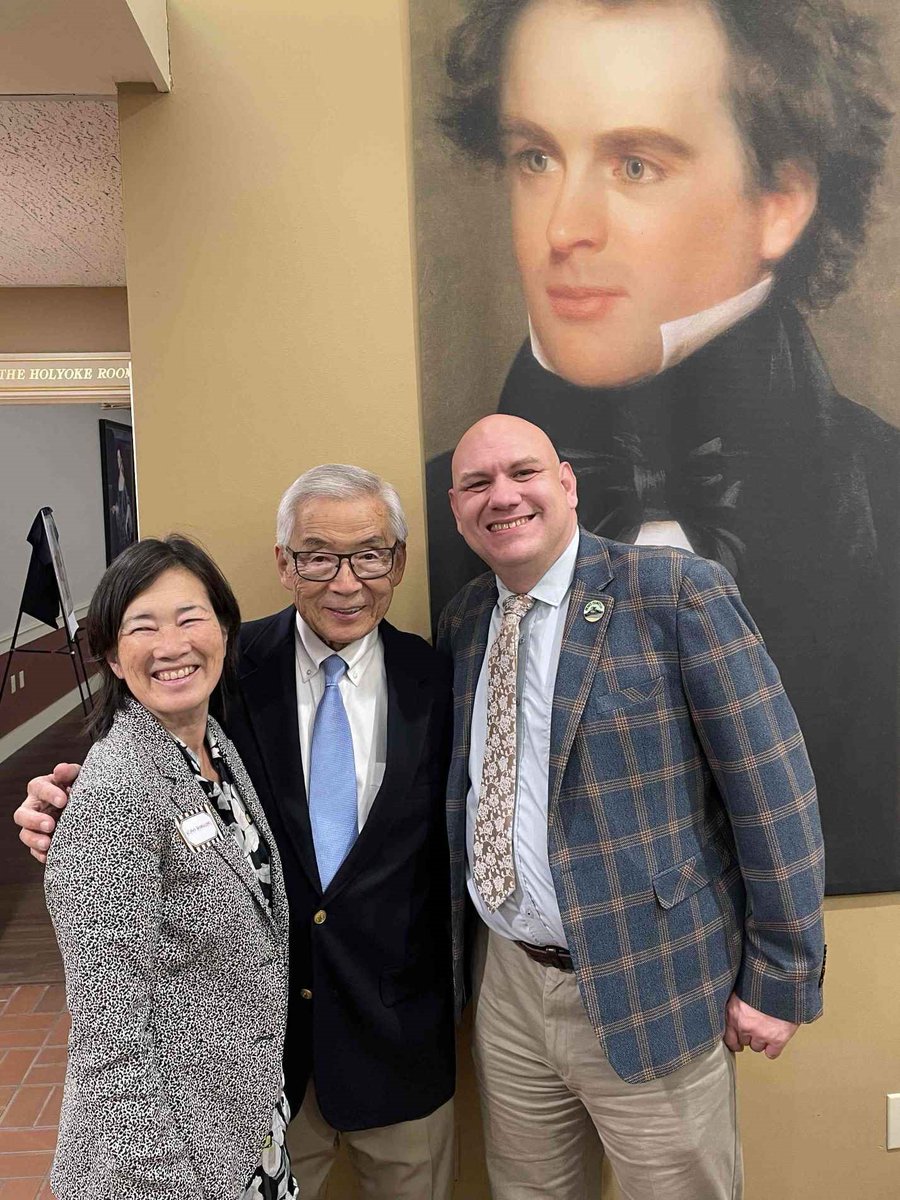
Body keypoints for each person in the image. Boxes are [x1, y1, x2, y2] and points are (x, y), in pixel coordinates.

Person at [425, 0, 900, 894]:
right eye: (536, 157)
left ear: (781, 203)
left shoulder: (886, 499)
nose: (563, 228)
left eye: (634, 164)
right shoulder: (439, 523)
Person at [17, 466, 456, 1200]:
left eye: (369, 555)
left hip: (399, 1045)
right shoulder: (221, 666)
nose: (344, 581)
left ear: (398, 562)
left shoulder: (440, 678)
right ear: (284, 563)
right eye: (317, 556)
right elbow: (136, 779)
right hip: (255, 1076)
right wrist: (66, 808)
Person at [436, 413, 826, 1199]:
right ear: (456, 508)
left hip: (652, 980)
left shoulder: (676, 591)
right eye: (478, 484)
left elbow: (772, 790)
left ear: (568, 485)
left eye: (524, 473)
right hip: (509, 989)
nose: (501, 497)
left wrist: (782, 975)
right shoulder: (466, 620)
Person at [44, 535, 295, 1200]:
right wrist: (161, 1181)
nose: (172, 645)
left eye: (190, 618)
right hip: (170, 1163)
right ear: (111, 655)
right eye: (142, 627)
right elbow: (109, 1036)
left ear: (224, 629)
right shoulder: (117, 792)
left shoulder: (211, 748)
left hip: (242, 1129)